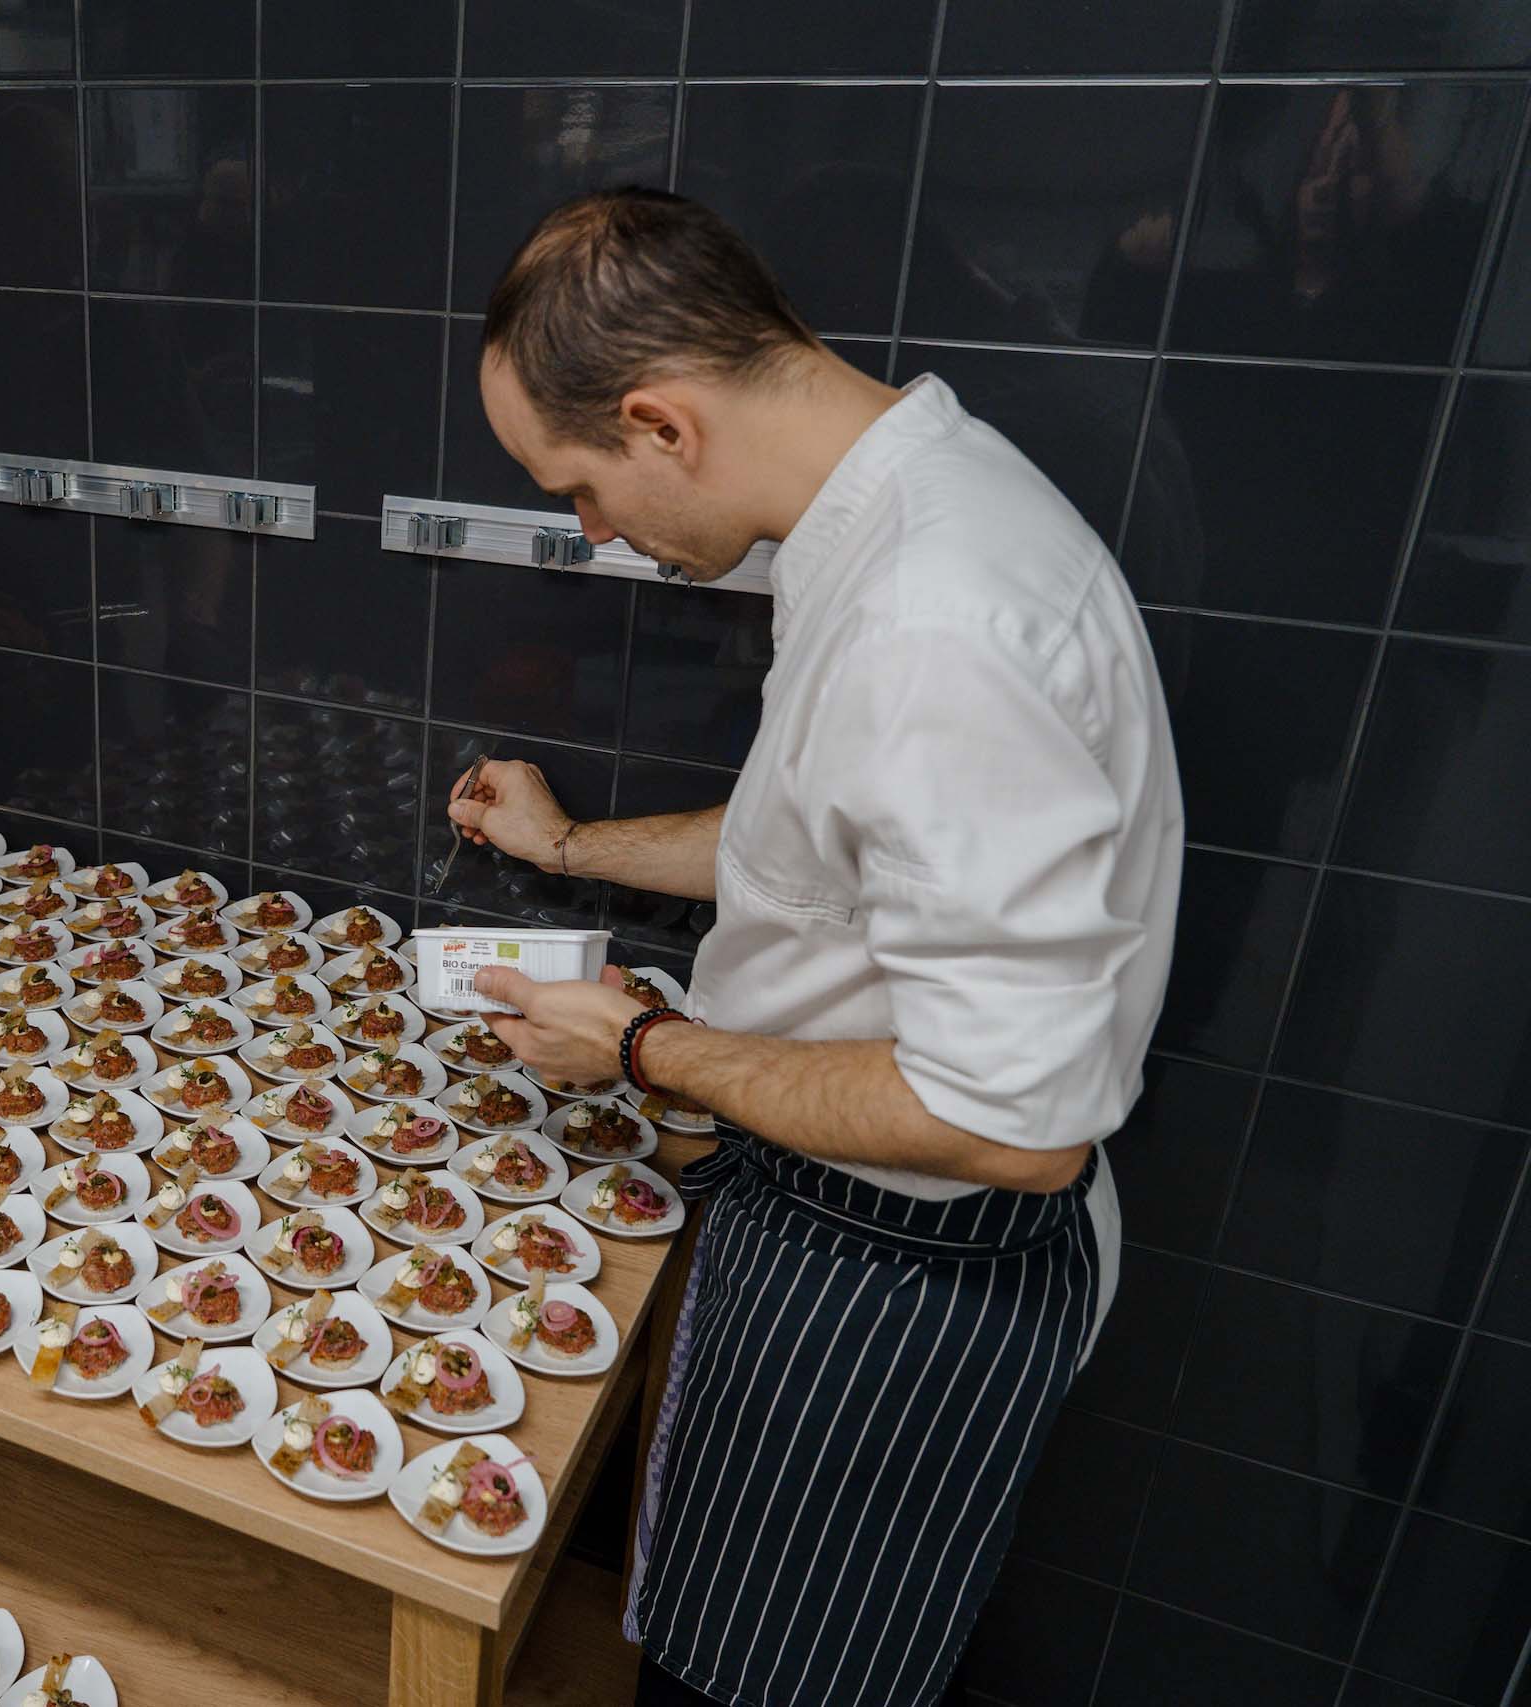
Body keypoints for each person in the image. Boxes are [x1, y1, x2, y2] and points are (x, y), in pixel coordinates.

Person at [449, 189, 1180, 1707]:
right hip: (827, 1231)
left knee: (764, 1689)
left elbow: (1010, 1121)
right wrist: (574, 847)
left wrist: (641, 1046)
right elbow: (824, 844)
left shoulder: (938, 619)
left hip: (905, 1278)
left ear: (660, 424)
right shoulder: (902, 503)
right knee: (709, 1643)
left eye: (578, 486)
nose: (593, 531)